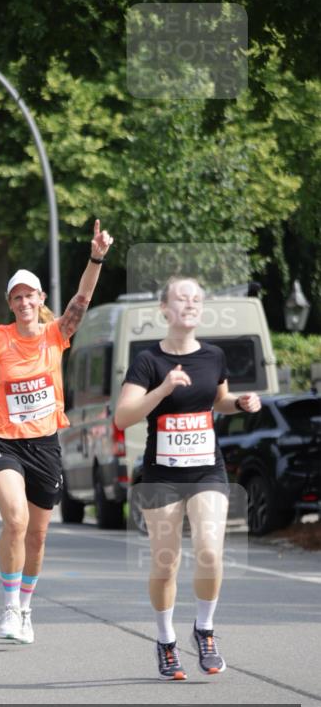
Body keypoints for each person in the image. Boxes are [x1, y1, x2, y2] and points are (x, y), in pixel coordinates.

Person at [0, 219, 113, 645]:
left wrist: (95, 258)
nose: (23, 302)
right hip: (3, 442)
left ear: (40, 300)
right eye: (16, 297)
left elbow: (82, 298)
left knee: (37, 536)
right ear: (10, 303)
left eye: (29, 295)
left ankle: (24, 607)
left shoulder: (56, 334)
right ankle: (7, 607)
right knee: (16, 520)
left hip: (45, 445)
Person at [114, 276, 261, 680]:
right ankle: (166, 641)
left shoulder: (213, 356)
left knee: (211, 552)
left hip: (206, 469)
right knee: (166, 563)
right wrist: (162, 389)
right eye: (182, 298)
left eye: (197, 298)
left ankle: (205, 630)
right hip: (161, 474)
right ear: (165, 309)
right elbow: (123, 417)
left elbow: (219, 400)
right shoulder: (148, 361)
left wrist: (240, 402)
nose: (191, 304)